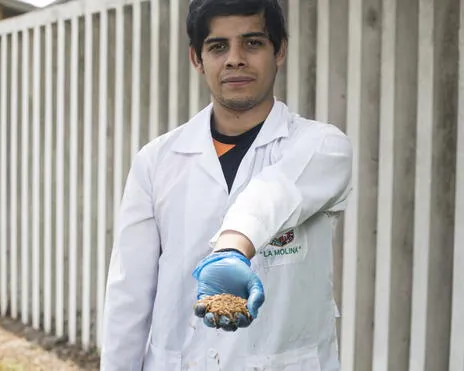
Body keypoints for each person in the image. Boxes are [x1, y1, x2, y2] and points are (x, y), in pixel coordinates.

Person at [100, 0, 353, 369]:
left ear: (279, 50)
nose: (235, 59)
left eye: (252, 43)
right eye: (218, 46)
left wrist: (232, 248)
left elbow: (276, 193)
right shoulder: (156, 161)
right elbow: (130, 297)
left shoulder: (322, 146)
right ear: (196, 58)